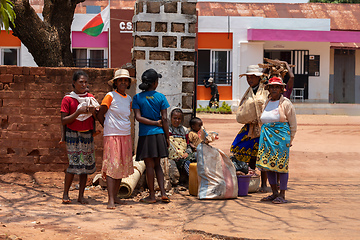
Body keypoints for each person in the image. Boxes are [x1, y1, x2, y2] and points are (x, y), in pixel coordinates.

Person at [60, 70, 99, 204]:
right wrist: (78, 112)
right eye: (81, 82)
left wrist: (93, 112)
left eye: (85, 82)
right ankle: (65, 194)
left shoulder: (90, 98)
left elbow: (96, 117)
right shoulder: (68, 99)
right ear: (74, 83)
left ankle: (81, 196)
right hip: (72, 135)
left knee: (85, 166)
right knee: (73, 164)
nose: (83, 84)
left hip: (87, 134)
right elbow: (64, 120)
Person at [97, 69, 134, 209]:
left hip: (125, 135)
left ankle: (116, 196)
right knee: (113, 166)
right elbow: (100, 114)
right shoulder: (110, 96)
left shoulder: (129, 99)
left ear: (129, 83)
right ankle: (110, 199)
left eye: (126, 80)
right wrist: (106, 126)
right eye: (121, 80)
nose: (123, 82)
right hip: (112, 135)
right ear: (115, 83)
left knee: (121, 166)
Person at [132, 68, 170, 204]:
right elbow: (165, 119)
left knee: (149, 166)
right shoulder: (161, 97)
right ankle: (163, 193)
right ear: (155, 83)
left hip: (146, 135)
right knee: (158, 165)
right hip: (159, 134)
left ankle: (152, 196)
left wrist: (153, 123)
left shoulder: (137, 98)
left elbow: (138, 117)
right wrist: (167, 136)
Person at [256, 76, 297, 204]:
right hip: (267, 138)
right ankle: (274, 193)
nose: (274, 89)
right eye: (272, 87)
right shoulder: (266, 103)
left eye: (276, 87)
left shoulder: (286, 103)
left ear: (281, 89)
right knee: (268, 165)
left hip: (281, 138)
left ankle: (282, 194)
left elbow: (293, 124)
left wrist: (290, 140)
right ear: (268, 89)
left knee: (281, 165)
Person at [230, 65, 269, 192]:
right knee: (241, 149)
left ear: (259, 78)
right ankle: (251, 179)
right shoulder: (249, 91)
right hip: (250, 127)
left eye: (252, 77)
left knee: (262, 155)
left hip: (263, 128)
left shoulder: (265, 90)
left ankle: (264, 184)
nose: (250, 80)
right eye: (248, 77)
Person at [168, 108, 193, 177]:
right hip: (175, 157)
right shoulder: (168, 130)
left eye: (179, 119)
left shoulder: (185, 130)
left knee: (198, 156)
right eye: (175, 118)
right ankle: (193, 180)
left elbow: (188, 145)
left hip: (185, 155)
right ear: (171, 118)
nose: (177, 120)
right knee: (187, 163)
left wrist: (187, 153)